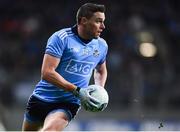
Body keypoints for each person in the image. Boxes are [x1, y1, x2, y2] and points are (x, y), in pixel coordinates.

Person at [22, 3, 108, 131]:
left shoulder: (101, 45)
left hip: (68, 103)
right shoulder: (61, 38)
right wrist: (78, 91)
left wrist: (98, 90)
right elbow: (47, 73)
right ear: (83, 21)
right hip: (42, 98)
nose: (103, 26)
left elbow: (101, 71)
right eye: (98, 21)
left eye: (103, 22)